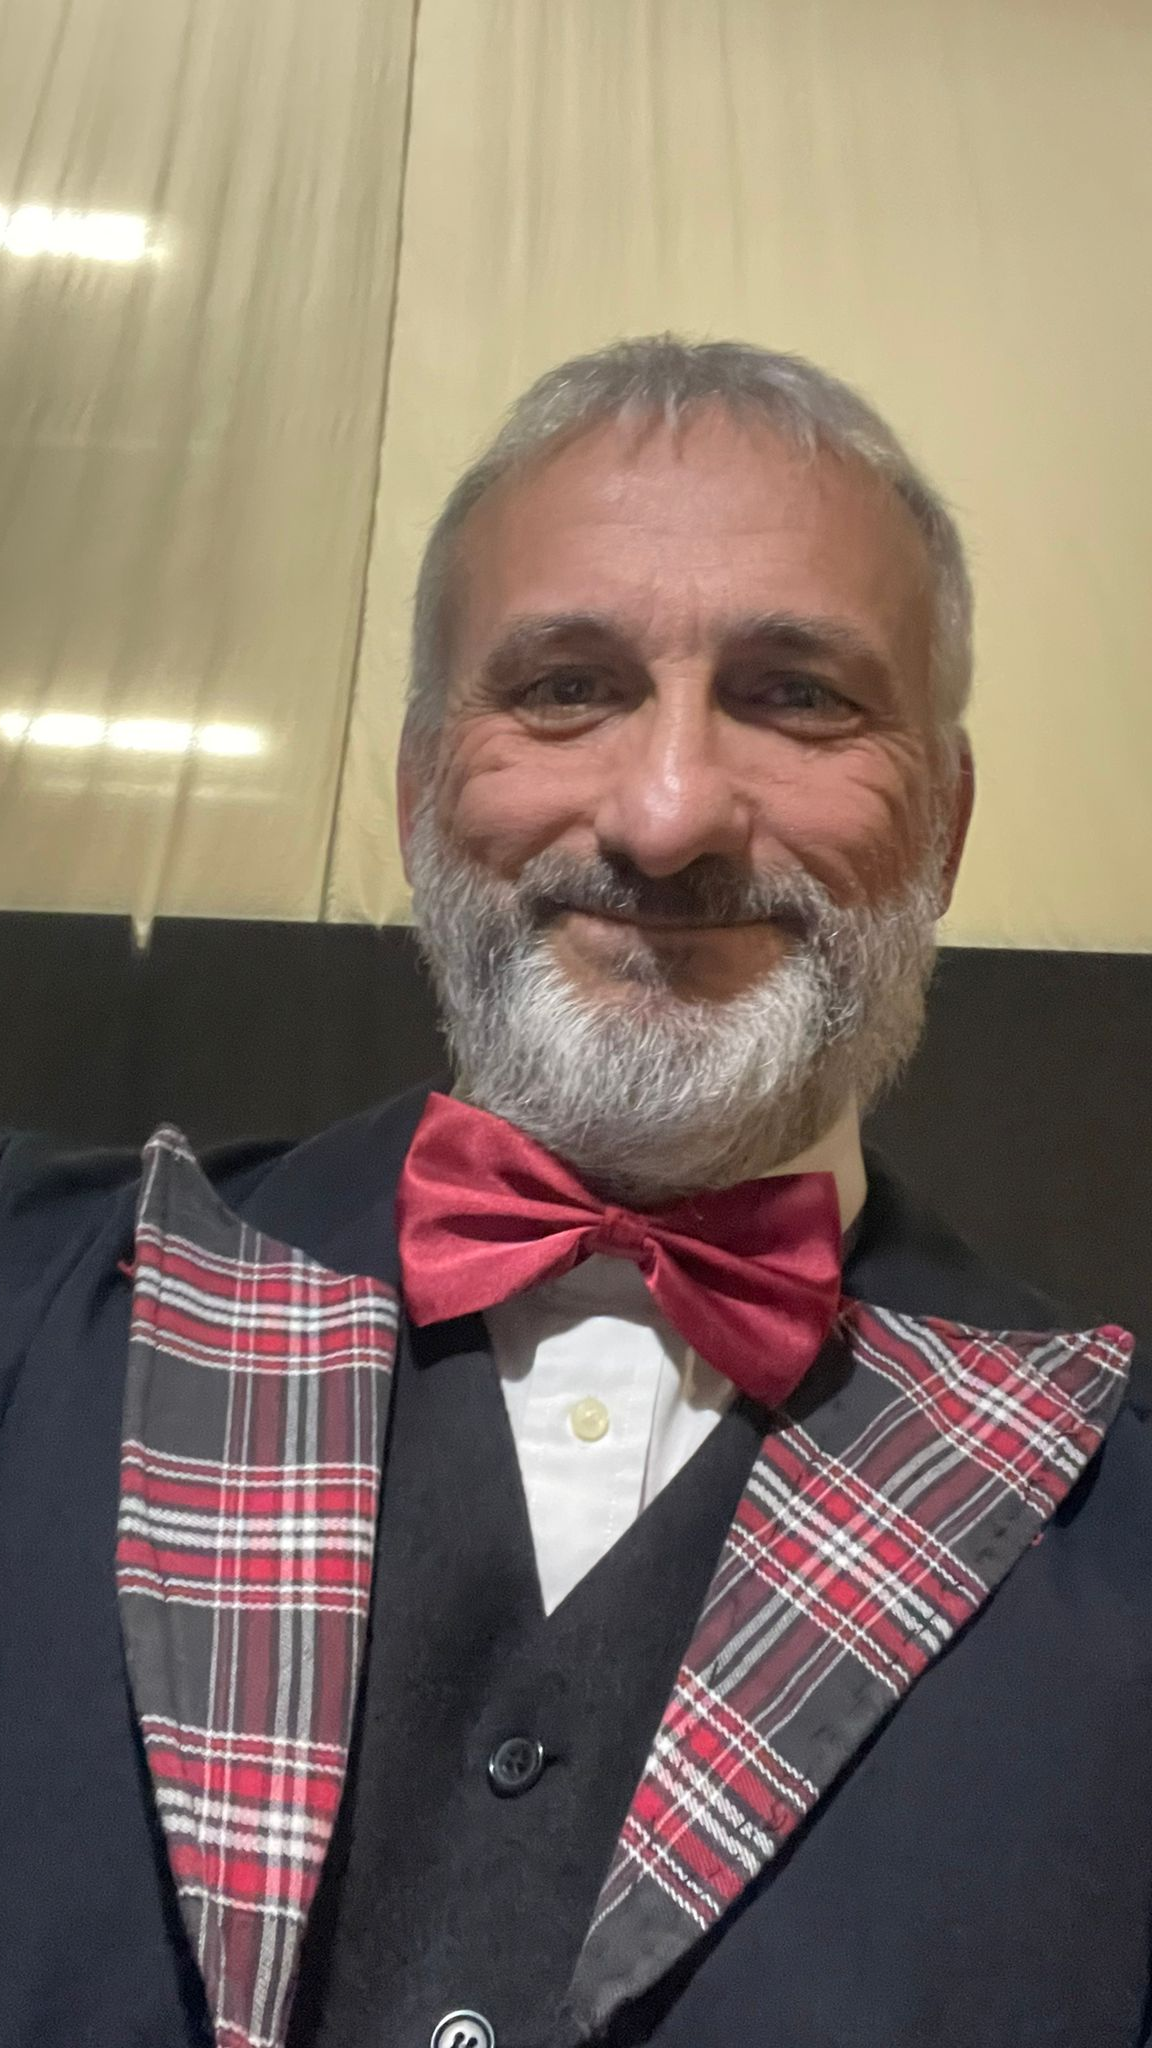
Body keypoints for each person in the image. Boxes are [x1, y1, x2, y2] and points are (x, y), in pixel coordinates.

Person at [0, 337, 1147, 2048]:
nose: (668, 815)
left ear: (945, 825)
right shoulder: (35, 1303)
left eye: (798, 698)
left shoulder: (1124, 1524)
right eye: (563, 688)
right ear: (418, 787)